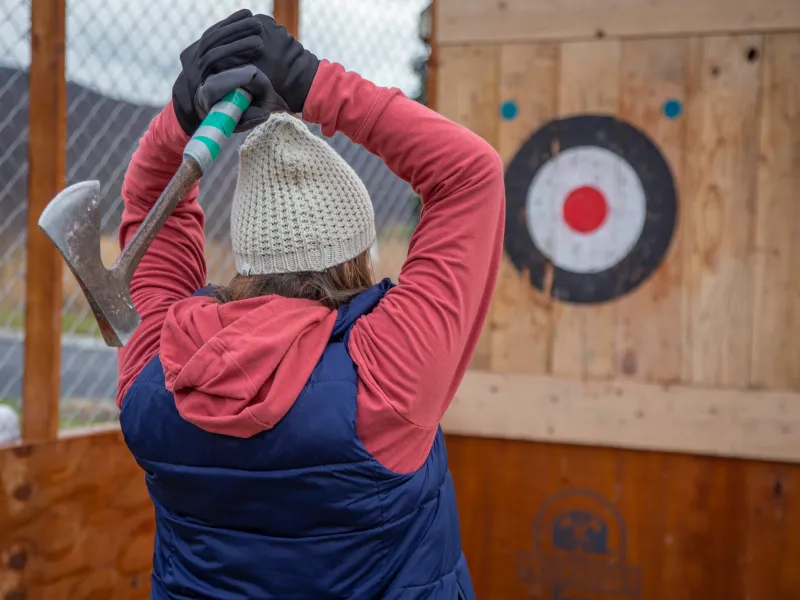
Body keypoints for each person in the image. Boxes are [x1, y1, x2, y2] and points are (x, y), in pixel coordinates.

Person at [117, 9, 505, 599]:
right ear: (356, 255)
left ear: (248, 253)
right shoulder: (385, 381)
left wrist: (183, 116)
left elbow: (152, 210)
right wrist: (310, 81)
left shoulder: (156, 373)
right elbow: (470, 176)